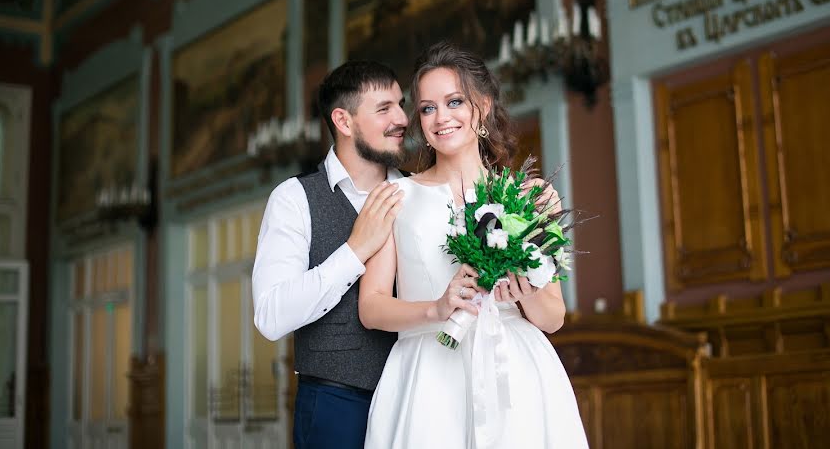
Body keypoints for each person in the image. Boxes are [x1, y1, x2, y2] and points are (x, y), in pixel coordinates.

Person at [359, 42, 588, 448]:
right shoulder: (396, 197)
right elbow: (371, 307)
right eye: (428, 108)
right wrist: (437, 308)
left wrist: (527, 295)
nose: (441, 117)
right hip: (428, 375)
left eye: (454, 102)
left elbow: (554, 317)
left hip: (516, 373)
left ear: (481, 106)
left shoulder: (532, 197)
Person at [252, 60, 408, 448]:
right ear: (344, 120)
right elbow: (271, 316)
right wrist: (355, 251)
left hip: (414, 396)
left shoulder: (418, 195)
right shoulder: (294, 199)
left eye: (401, 104)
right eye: (384, 108)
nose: (403, 118)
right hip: (334, 405)